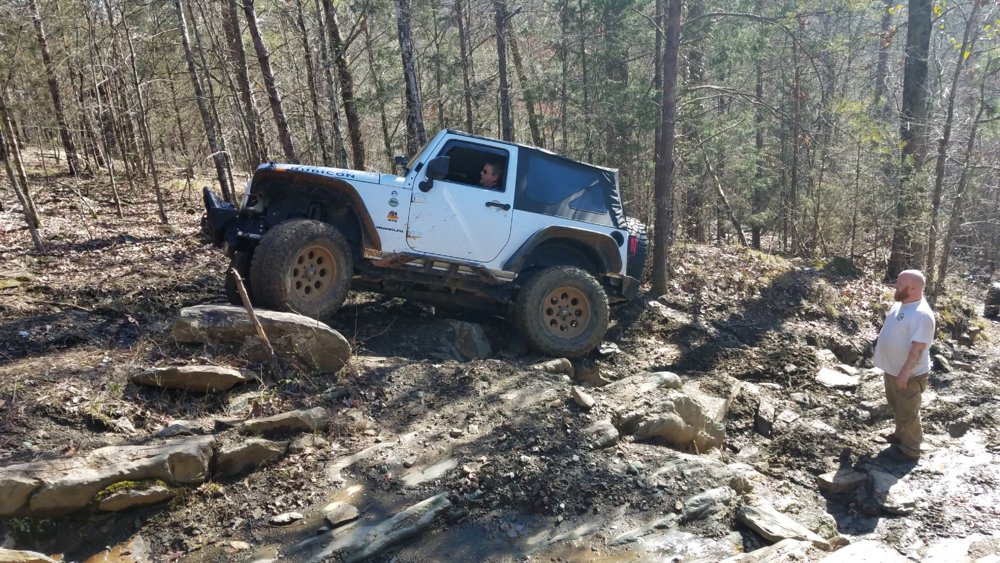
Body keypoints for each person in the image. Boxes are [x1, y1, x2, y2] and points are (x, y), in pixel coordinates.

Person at [873, 269, 936, 462]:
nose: (896, 286)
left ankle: (910, 450)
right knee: (897, 405)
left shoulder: (921, 314)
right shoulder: (902, 303)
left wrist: (905, 371)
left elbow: (918, 348)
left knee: (908, 412)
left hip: (909, 374)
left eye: (900, 284)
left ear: (914, 288)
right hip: (893, 369)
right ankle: (900, 435)